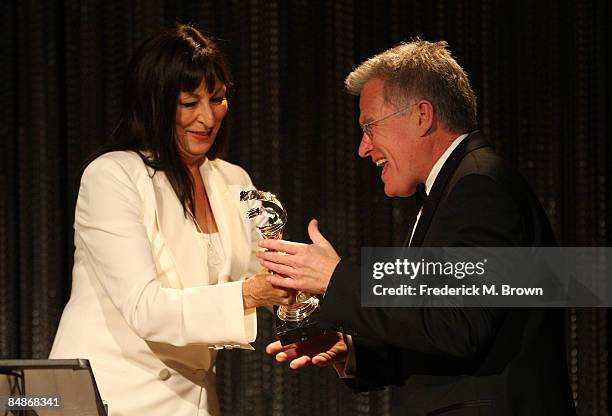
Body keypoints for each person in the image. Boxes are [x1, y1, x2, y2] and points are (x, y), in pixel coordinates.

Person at [258, 39, 576, 415]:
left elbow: (458, 325)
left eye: (370, 126)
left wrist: (335, 278)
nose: (364, 147)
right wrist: (354, 351)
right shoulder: (456, 187)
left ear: (422, 116)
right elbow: (442, 325)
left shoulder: (479, 187)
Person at [49, 25, 293, 416]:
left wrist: (302, 298)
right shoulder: (112, 176)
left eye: (217, 99)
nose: (207, 118)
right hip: (108, 396)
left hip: (191, 402)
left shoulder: (238, 183)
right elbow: (147, 309)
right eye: (189, 102)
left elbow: (263, 264)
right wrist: (252, 294)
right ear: (155, 103)